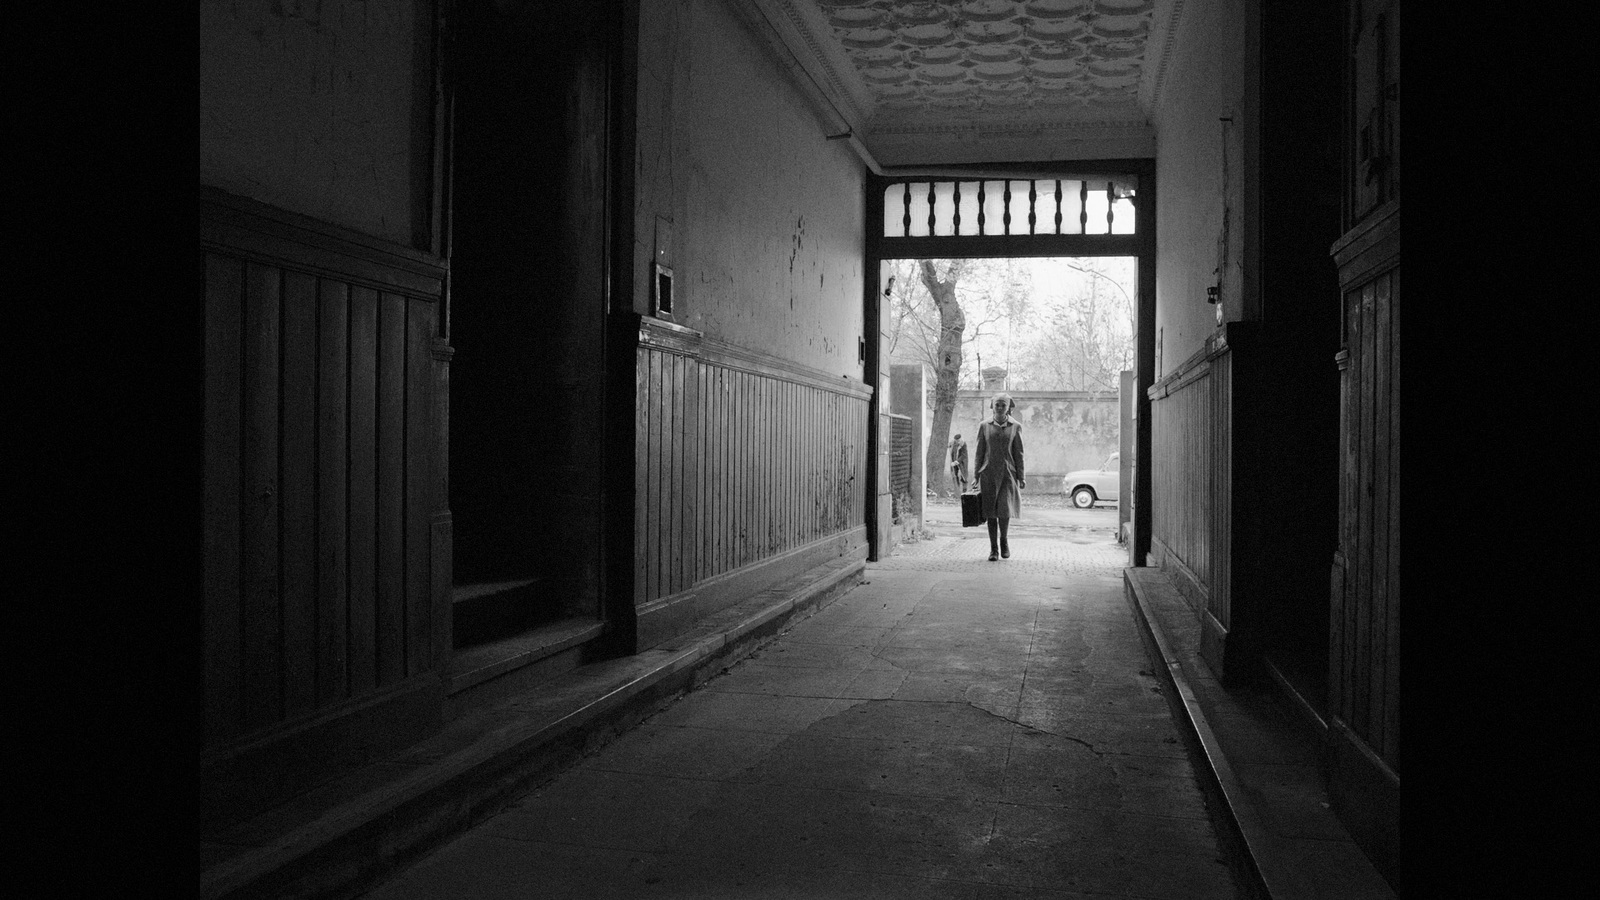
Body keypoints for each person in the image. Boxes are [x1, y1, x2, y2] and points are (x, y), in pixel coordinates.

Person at [974, 393, 1024, 560]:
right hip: (988, 474)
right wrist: (975, 475)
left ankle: (1004, 541)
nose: (1000, 408)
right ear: (992, 406)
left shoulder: (1015, 426)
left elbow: (1019, 454)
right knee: (990, 512)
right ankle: (993, 549)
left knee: (1004, 510)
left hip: (1008, 475)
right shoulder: (984, 426)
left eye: (1004, 405)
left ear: (1009, 407)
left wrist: (1021, 476)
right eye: (997, 405)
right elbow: (979, 452)